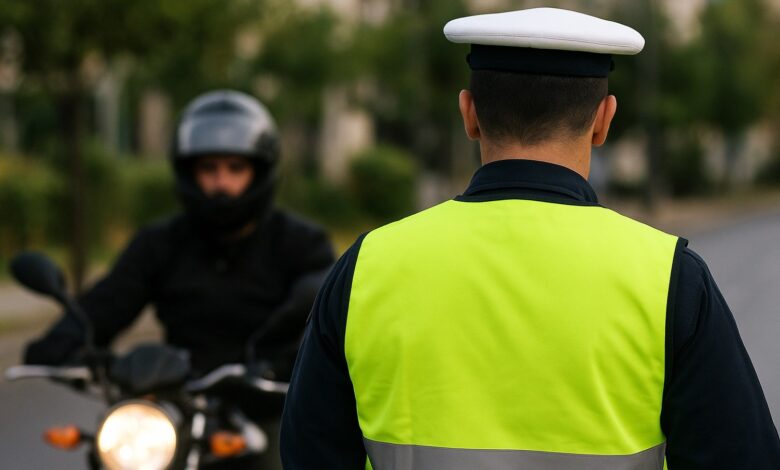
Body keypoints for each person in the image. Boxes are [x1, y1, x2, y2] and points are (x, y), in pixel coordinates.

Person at [280, 8, 780, 470]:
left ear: (469, 114)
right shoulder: (669, 276)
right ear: (603, 120)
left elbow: (309, 453)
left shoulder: (368, 267)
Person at [24, 90, 335, 467]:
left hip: (268, 403)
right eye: (209, 169)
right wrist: (66, 344)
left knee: (282, 458)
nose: (221, 182)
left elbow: (320, 314)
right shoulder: (161, 243)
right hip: (177, 405)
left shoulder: (301, 243)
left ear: (260, 171)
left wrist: (281, 360)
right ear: (189, 173)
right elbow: (109, 300)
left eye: (235, 168)